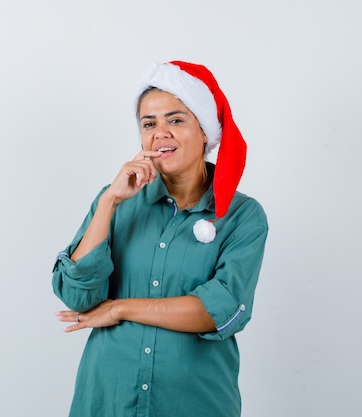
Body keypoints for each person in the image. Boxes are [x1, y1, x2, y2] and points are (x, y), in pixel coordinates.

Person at [52, 61, 268, 417]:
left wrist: (120, 308)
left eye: (176, 120)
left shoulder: (243, 217)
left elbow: (220, 311)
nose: (160, 133)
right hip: (108, 401)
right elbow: (78, 296)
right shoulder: (119, 201)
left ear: (204, 133)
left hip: (194, 403)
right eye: (149, 124)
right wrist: (109, 202)